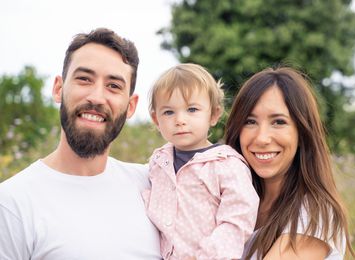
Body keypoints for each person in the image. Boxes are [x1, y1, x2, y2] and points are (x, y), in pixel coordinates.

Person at [0, 28, 161, 259]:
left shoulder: (153, 187)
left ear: (131, 107)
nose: (96, 97)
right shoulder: (12, 204)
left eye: (114, 86)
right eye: (84, 79)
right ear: (58, 88)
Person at [225, 67, 355, 259]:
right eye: (250, 121)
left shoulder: (315, 215)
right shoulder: (229, 201)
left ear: (302, 132)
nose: (262, 138)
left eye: (278, 122)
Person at [142, 63, 259, 259]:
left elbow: (238, 217)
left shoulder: (226, 164)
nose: (180, 120)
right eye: (169, 112)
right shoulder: (158, 163)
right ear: (156, 120)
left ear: (213, 115)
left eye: (192, 109)